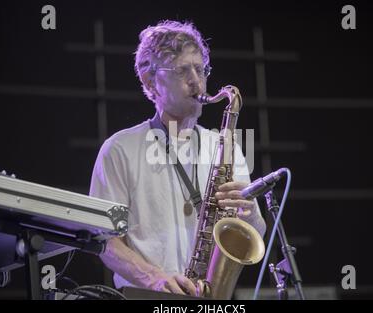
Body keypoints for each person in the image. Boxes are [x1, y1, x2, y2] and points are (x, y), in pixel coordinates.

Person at [89, 20, 266, 296]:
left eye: (200, 69)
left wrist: (251, 212)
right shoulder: (120, 148)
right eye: (183, 70)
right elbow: (105, 242)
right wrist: (155, 279)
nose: (196, 81)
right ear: (151, 81)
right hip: (149, 295)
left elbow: (255, 231)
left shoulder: (227, 146)